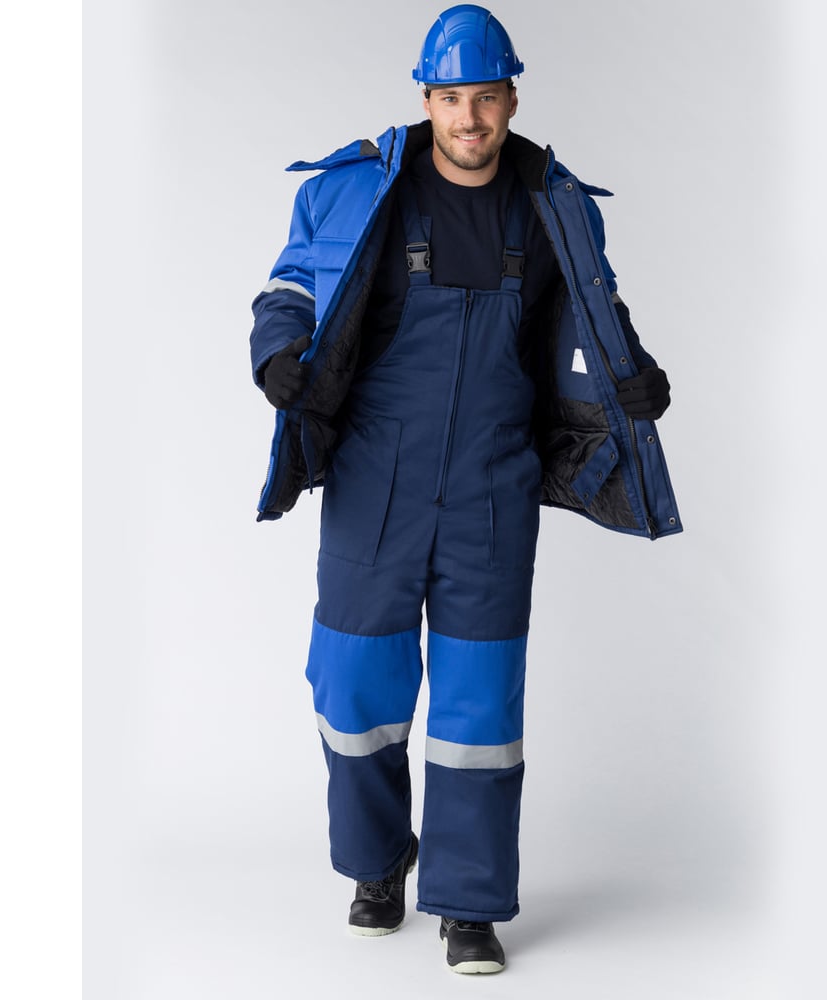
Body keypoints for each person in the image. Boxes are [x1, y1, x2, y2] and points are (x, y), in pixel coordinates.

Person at [248, 4, 682, 975]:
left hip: (492, 484)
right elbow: (290, 287)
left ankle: (469, 903)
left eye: (485, 98)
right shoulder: (356, 192)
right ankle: (378, 864)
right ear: (426, 99)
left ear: (511, 100)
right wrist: (277, 352)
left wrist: (635, 373)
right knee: (352, 688)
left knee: (479, 709)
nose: (470, 118)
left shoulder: (553, 206)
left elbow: (595, 311)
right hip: (376, 481)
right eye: (451, 99)